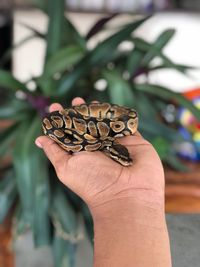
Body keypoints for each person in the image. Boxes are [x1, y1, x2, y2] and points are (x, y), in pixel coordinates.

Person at [35, 97, 172, 267]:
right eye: (122, 158)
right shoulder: (97, 142)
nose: (127, 161)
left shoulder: (101, 142)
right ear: (111, 151)